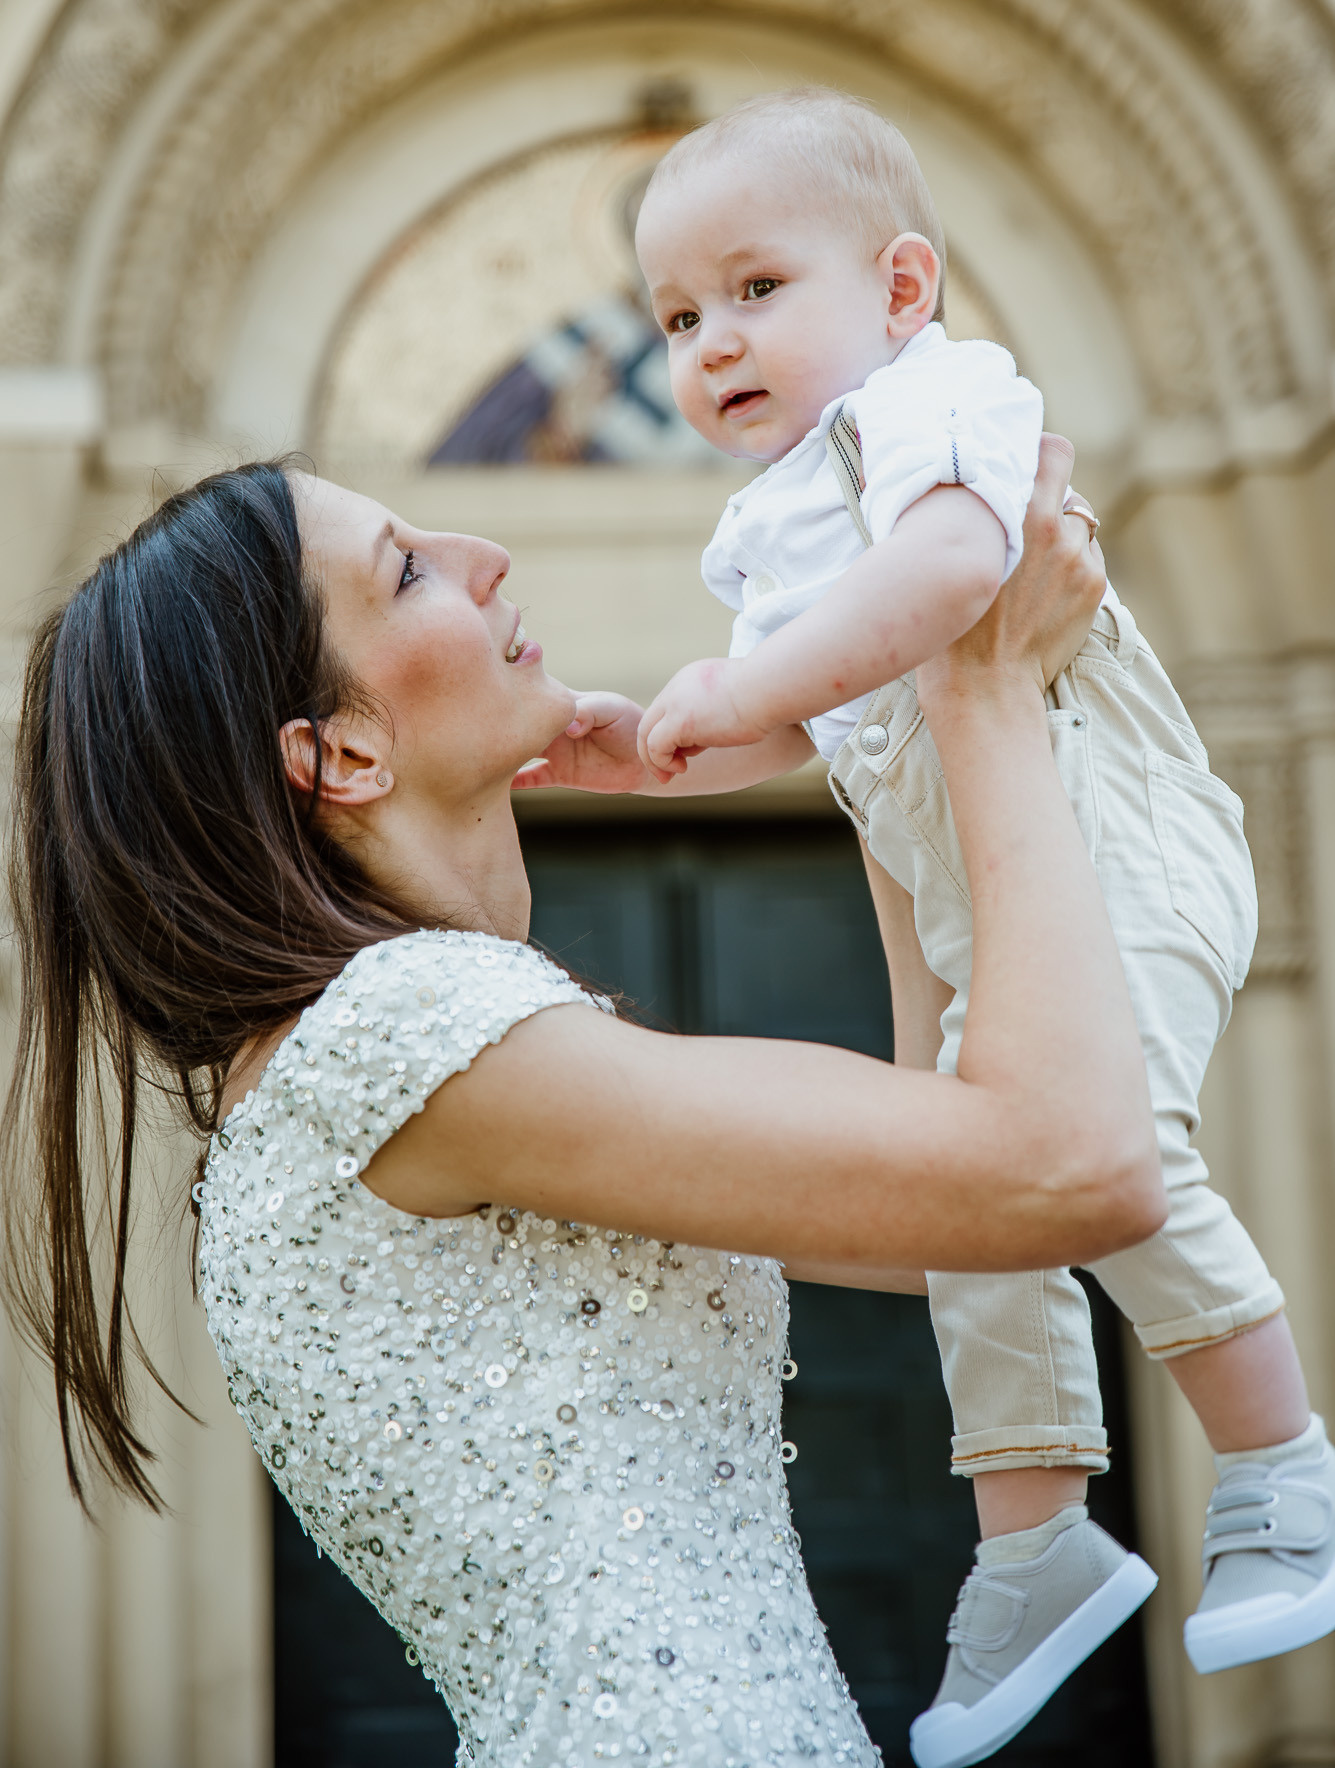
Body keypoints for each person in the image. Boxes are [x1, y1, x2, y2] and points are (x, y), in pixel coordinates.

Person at [0, 446, 1159, 1768]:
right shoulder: (403, 1035)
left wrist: (873, 742)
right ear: (344, 754)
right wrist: (986, 685)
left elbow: (955, 1214)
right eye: (411, 570)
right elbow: (1072, 1170)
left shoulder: (362, 1060)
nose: (482, 553)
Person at [553, 87, 1333, 1767]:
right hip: (994, 891)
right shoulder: (766, 525)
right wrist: (661, 751)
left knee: (1118, 1152)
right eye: (678, 318)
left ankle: (1281, 1468)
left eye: (756, 289)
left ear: (902, 287)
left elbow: (954, 580)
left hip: (1111, 840)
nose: (711, 343)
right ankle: (1035, 1537)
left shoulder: (934, 401)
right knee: (984, 1191)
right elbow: (814, 718)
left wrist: (748, 678)